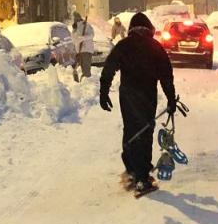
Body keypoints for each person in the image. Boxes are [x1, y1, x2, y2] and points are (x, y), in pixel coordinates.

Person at [99, 12, 177, 195]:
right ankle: (142, 177)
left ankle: (132, 170)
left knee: (131, 129)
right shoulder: (155, 47)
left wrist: (104, 92)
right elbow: (166, 76)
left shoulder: (124, 45)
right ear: (149, 29)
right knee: (145, 131)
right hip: (147, 95)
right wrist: (171, 99)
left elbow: (109, 68)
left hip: (127, 95)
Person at [72, 12, 96, 80]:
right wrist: (78, 39)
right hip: (79, 51)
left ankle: (87, 84)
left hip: (86, 50)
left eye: (75, 17)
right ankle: (81, 83)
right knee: (78, 68)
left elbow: (92, 35)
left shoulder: (87, 25)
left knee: (86, 70)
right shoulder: (75, 27)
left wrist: (82, 38)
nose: (75, 19)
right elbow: (74, 39)